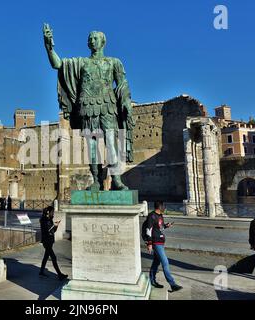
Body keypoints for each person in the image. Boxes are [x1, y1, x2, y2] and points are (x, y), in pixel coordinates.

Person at [43, 24, 135, 191]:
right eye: (90, 39)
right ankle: (96, 181)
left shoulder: (114, 62)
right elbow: (58, 64)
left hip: (108, 106)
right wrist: (49, 47)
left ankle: (116, 180)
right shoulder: (81, 63)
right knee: (92, 145)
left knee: (111, 143)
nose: (92, 41)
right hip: (87, 107)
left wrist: (126, 102)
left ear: (103, 42)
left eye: (95, 38)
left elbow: (122, 84)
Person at [142, 201, 183, 292]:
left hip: (160, 241)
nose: (164, 208)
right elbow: (148, 230)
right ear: (159, 207)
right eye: (163, 206)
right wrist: (149, 244)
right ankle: (172, 284)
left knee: (156, 263)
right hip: (155, 242)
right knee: (165, 262)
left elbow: (159, 228)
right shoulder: (151, 216)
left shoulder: (160, 216)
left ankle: (152, 281)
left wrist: (166, 226)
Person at [39, 206, 68, 280]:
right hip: (47, 241)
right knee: (53, 257)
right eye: (52, 212)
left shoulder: (49, 220)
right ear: (48, 212)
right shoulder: (44, 220)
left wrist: (56, 226)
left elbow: (53, 231)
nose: (53, 213)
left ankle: (41, 271)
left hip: (49, 241)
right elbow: (48, 230)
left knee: (46, 257)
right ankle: (59, 274)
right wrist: (53, 226)